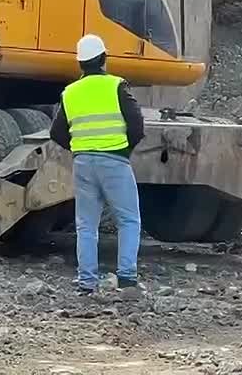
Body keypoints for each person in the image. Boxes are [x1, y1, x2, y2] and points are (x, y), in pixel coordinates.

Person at [49, 34, 145, 295]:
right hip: (114, 160)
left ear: (80, 63)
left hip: (83, 163)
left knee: (86, 225)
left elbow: (56, 132)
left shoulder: (70, 92)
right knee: (128, 220)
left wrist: (79, 148)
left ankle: (87, 283)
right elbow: (137, 125)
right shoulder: (116, 86)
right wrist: (124, 150)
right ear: (104, 58)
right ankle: (127, 279)